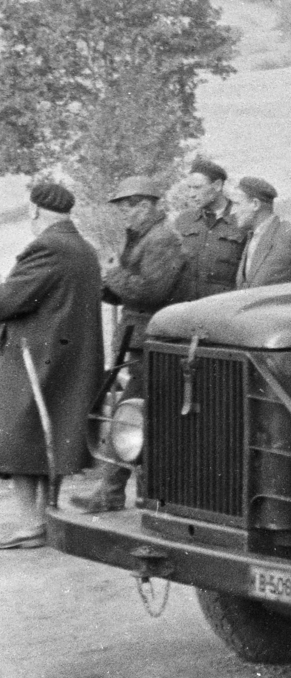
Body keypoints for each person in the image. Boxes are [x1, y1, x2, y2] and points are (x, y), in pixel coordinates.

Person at [71, 176, 184, 514]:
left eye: (127, 208)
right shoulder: (141, 238)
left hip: (153, 341)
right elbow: (126, 288)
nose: (123, 215)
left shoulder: (162, 239)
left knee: (130, 416)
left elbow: (151, 291)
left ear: (146, 205)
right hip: (141, 341)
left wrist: (112, 275)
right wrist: (106, 281)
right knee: (137, 416)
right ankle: (129, 492)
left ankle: (114, 491)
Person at [0, 182, 103, 549]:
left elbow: (9, 301)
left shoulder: (47, 247)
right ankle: (43, 518)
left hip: (35, 360)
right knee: (49, 436)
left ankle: (31, 524)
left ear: (34, 211)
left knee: (18, 437)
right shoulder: (83, 248)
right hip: (66, 361)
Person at [172, 157, 248, 300]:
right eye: (189, 188)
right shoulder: (184, 221)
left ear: (217, 186)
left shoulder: (241, 220)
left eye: (197, 188)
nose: (191, 194)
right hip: (186, 308)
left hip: (223, 308)